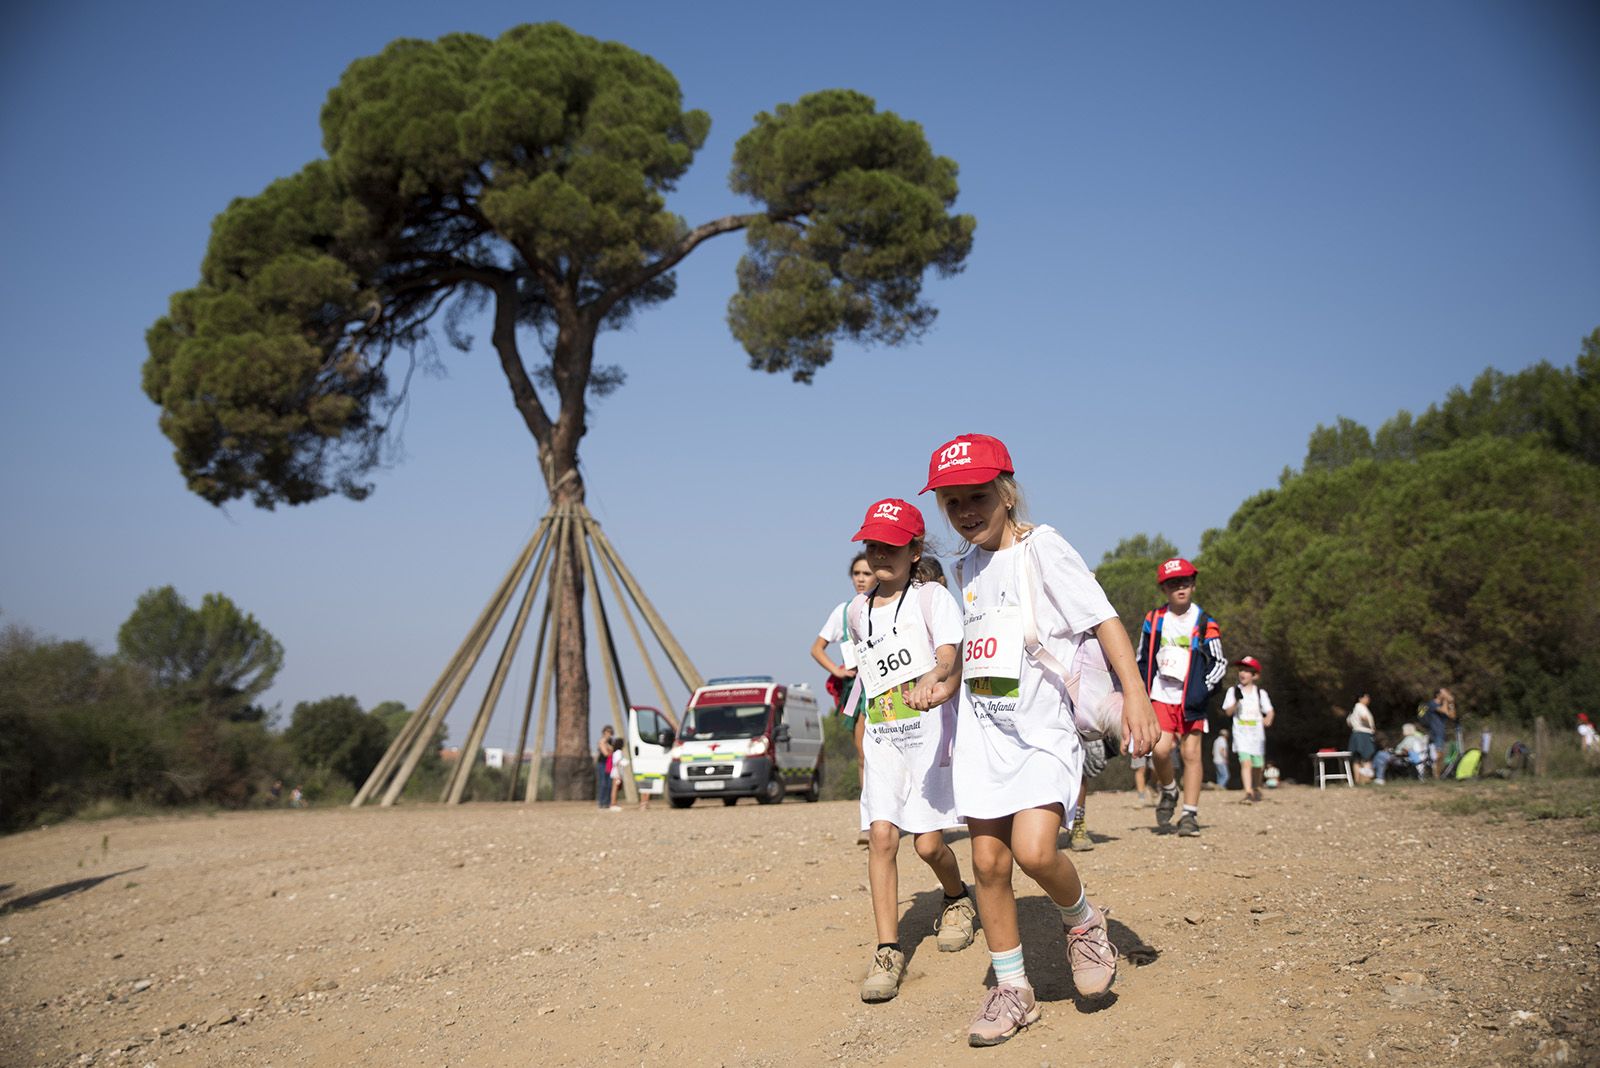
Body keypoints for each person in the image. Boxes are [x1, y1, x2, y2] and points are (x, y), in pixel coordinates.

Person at [924, 433, 1160, 1047]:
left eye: (977, 496)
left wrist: (1135, 694)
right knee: (987, 862)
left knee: (1034, 852)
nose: (966, 511)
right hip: (984, 735)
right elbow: (977, 657)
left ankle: (1083, 922)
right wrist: (941, 683)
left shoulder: (1043, 547)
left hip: (1041, 732)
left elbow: (1102, 617)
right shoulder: (964, 568)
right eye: (952, 503)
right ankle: (1013, 989)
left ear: (1006, 493)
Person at [838, 499, 975, 1003]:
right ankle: (887, 949)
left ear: (915, 550)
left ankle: (958, 899)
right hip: (883, 739)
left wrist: (935, 678)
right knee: (880, 838)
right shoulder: (856, 611)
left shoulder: (931, 597)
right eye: (872, 545)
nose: (879, 555)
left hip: (927, 738)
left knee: (927, 844)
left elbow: (947, 653)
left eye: (891, 546)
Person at [1137, 558, 1226, 835]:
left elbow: (1218, 663)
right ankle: (1169, 789)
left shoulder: (1205, 622)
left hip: (1191, 700)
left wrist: (1202, 689)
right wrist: (1139, 690)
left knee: (1191, 754)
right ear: (1164, 589)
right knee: (1160, 750)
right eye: (1173, 583)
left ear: (1193, 585)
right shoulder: (1154, 619)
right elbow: (1142, 658)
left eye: (1185, 582)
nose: (1180, 587)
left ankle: (1190, 814)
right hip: (1161, 694)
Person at [813, 553, 876, 843]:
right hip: (858, 690)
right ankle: (869, 821)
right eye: (857, 573)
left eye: (867, 572)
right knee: (863, 755)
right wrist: (837, 672)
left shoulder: (889, 604)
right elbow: (817, 648)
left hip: (889, 685)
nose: (861, 578)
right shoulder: (843, 611)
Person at [1221, 656, 1273, 801]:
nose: (1242, 673)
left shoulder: (1260, 693)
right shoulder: (1233, 691)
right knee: (1246, 762)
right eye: (1241, 670)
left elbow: (1269, 710)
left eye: (1247, 671)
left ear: (1255, 675)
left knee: (1258, 765)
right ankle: (1248, 791)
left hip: (1256, 733)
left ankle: (1256, 787)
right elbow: (1228, 712)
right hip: (1241, 731)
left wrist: (1268, 718)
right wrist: (1237, 701)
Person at [1422, 687, 1456, 777]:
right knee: (1438, 755)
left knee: (1440, 755)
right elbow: (1444, 711)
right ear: (1437, 695)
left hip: (1441, 733)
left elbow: (1452, 716)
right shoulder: (1432, 704)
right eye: (1444, 692)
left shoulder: (1442, 704)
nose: (1446, 694)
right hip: (1435, 733)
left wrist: (1451, 703)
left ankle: (1435, 774)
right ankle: (1435, 776)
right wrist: (1446, 700)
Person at [1347, 693, 1377, 781]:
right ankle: (1366, 779)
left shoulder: (1353, 709)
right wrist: (1371, 726)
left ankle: (1357, 780)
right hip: (1364, 734)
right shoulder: (1361, 707)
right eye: (1366, 697)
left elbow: (1349, 722)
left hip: (1355, 734)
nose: (1368, 699)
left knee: (1357, 759)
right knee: (1367, 757)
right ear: (1360, 698)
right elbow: (1364, 717)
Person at [595, 725, 615, 810]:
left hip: (610, 764)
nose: (609, 734)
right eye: (607, 732)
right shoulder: (602, 741)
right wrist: (610, 749)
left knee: (609, 784)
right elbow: (606, 753)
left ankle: (608, 802)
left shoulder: (611, 741)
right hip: (602, 764)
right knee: (603, 783)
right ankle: (601, 802)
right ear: (604, 733)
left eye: (610, 732)